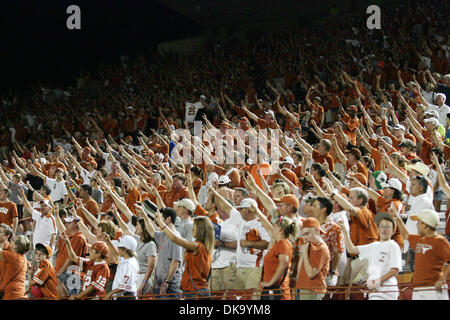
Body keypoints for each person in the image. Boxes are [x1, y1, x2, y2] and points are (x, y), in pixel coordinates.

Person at [338, 212, 402, 300]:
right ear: (378, 229)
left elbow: (395, 270)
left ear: (393, 230)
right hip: (374, 292)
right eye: (382, 226)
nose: (384, 229)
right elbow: (351, 249)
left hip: (387, 291)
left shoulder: (393, 245)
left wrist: (376, 282)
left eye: (387, 227)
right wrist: (345, 231)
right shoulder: (373, 245)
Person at [390, 208, 450, 300]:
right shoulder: (419, 239)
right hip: (418, 289)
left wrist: (442, 280)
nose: (417, 225)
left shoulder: (440, 241)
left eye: (418, 222)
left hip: (433, 289)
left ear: (425, 225)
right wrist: (397, 217)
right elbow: (405, 235)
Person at [154, 213, 214, 299]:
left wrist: (161, 223)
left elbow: (175, 239)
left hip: (194, 292)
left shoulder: (197, 246)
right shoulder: (204, 247)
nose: (192, 229)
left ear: (201, 229)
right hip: (195, 290)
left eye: (194, 226)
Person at [253, 204, 299, 300]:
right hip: (271, 291)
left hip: (277, 292)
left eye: (274, 227)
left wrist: (270, 283)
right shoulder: (279, 243)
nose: (272, 229)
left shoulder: (283, 244)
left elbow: (284, 264)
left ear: (280, 229)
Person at [140, 206, 183, 298]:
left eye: (160, 218)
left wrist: (167, 282)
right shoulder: (163, 234)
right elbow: (151, 231)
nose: (157, 221)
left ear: (168, 219)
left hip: (169, 286)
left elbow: (175, 262)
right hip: (159, 284)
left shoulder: (175, 237)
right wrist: (144, 215)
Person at [60, 233, 110, 300]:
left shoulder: (104, 268)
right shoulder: (91, 262)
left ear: (98, 254)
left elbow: (93, 287)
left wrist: (78, 296)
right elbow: (73, 257)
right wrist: (68, 243)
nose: (89, 252)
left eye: (92, 250)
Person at [295, 217, 330, 300]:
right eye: (303, 235)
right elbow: (299, 271)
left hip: (312, 289)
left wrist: (304, 253)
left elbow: (311, 274)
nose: (305, 238)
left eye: (307, 234)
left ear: (317, 231)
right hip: (303, 287)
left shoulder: (320, 248)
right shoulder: (309, 245)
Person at [104, 235, 139, 300]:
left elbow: (125, 286)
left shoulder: (130, 264)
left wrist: (110, 293)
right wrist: (109, 242)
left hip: (127, 296)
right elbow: (116, 254)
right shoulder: (126, 258)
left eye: (119, 247)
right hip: (123, 296)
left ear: (125, 249)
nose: (118, 249)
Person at [0, 235, 31, 300]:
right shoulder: (23, 258)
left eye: (13, 240)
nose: (11, 240)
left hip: (12, 295)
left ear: (16, 246)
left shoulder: (13, 257)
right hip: (20, 295)